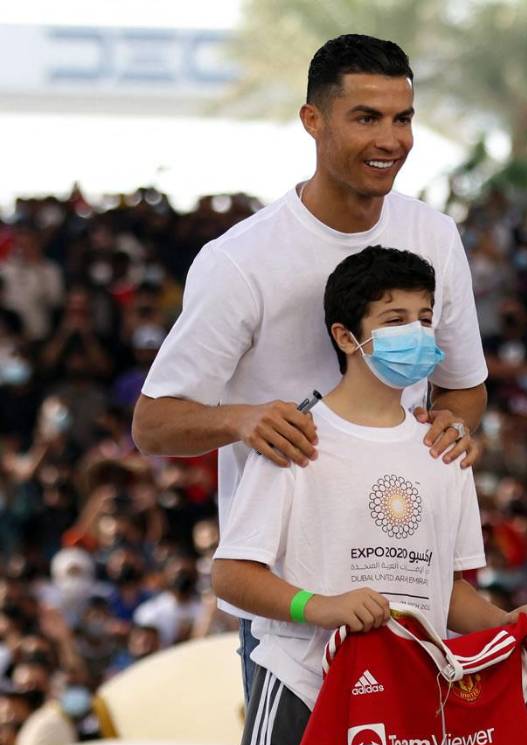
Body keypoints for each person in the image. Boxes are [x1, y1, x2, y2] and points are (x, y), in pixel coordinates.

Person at [131, 35, 489, 703]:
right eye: (366, 117)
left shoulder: (435, 235)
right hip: (291, 603)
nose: (391, 139)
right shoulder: (241, 259)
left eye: (403, 117)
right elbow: (152, 424)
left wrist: (453, 431)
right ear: (313, 121)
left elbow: (465, 385)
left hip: (406, 586)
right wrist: (245, 419)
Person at [210, 245, 527, 745]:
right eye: (394, 320)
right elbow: (230, 575)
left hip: (408, 703)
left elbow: (448, 593)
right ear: (347, 337)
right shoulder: (298, 438)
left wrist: (505, 621)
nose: (415, 334)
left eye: (423, 319)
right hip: (303, 685)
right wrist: (321, 606)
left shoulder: (446, 450)